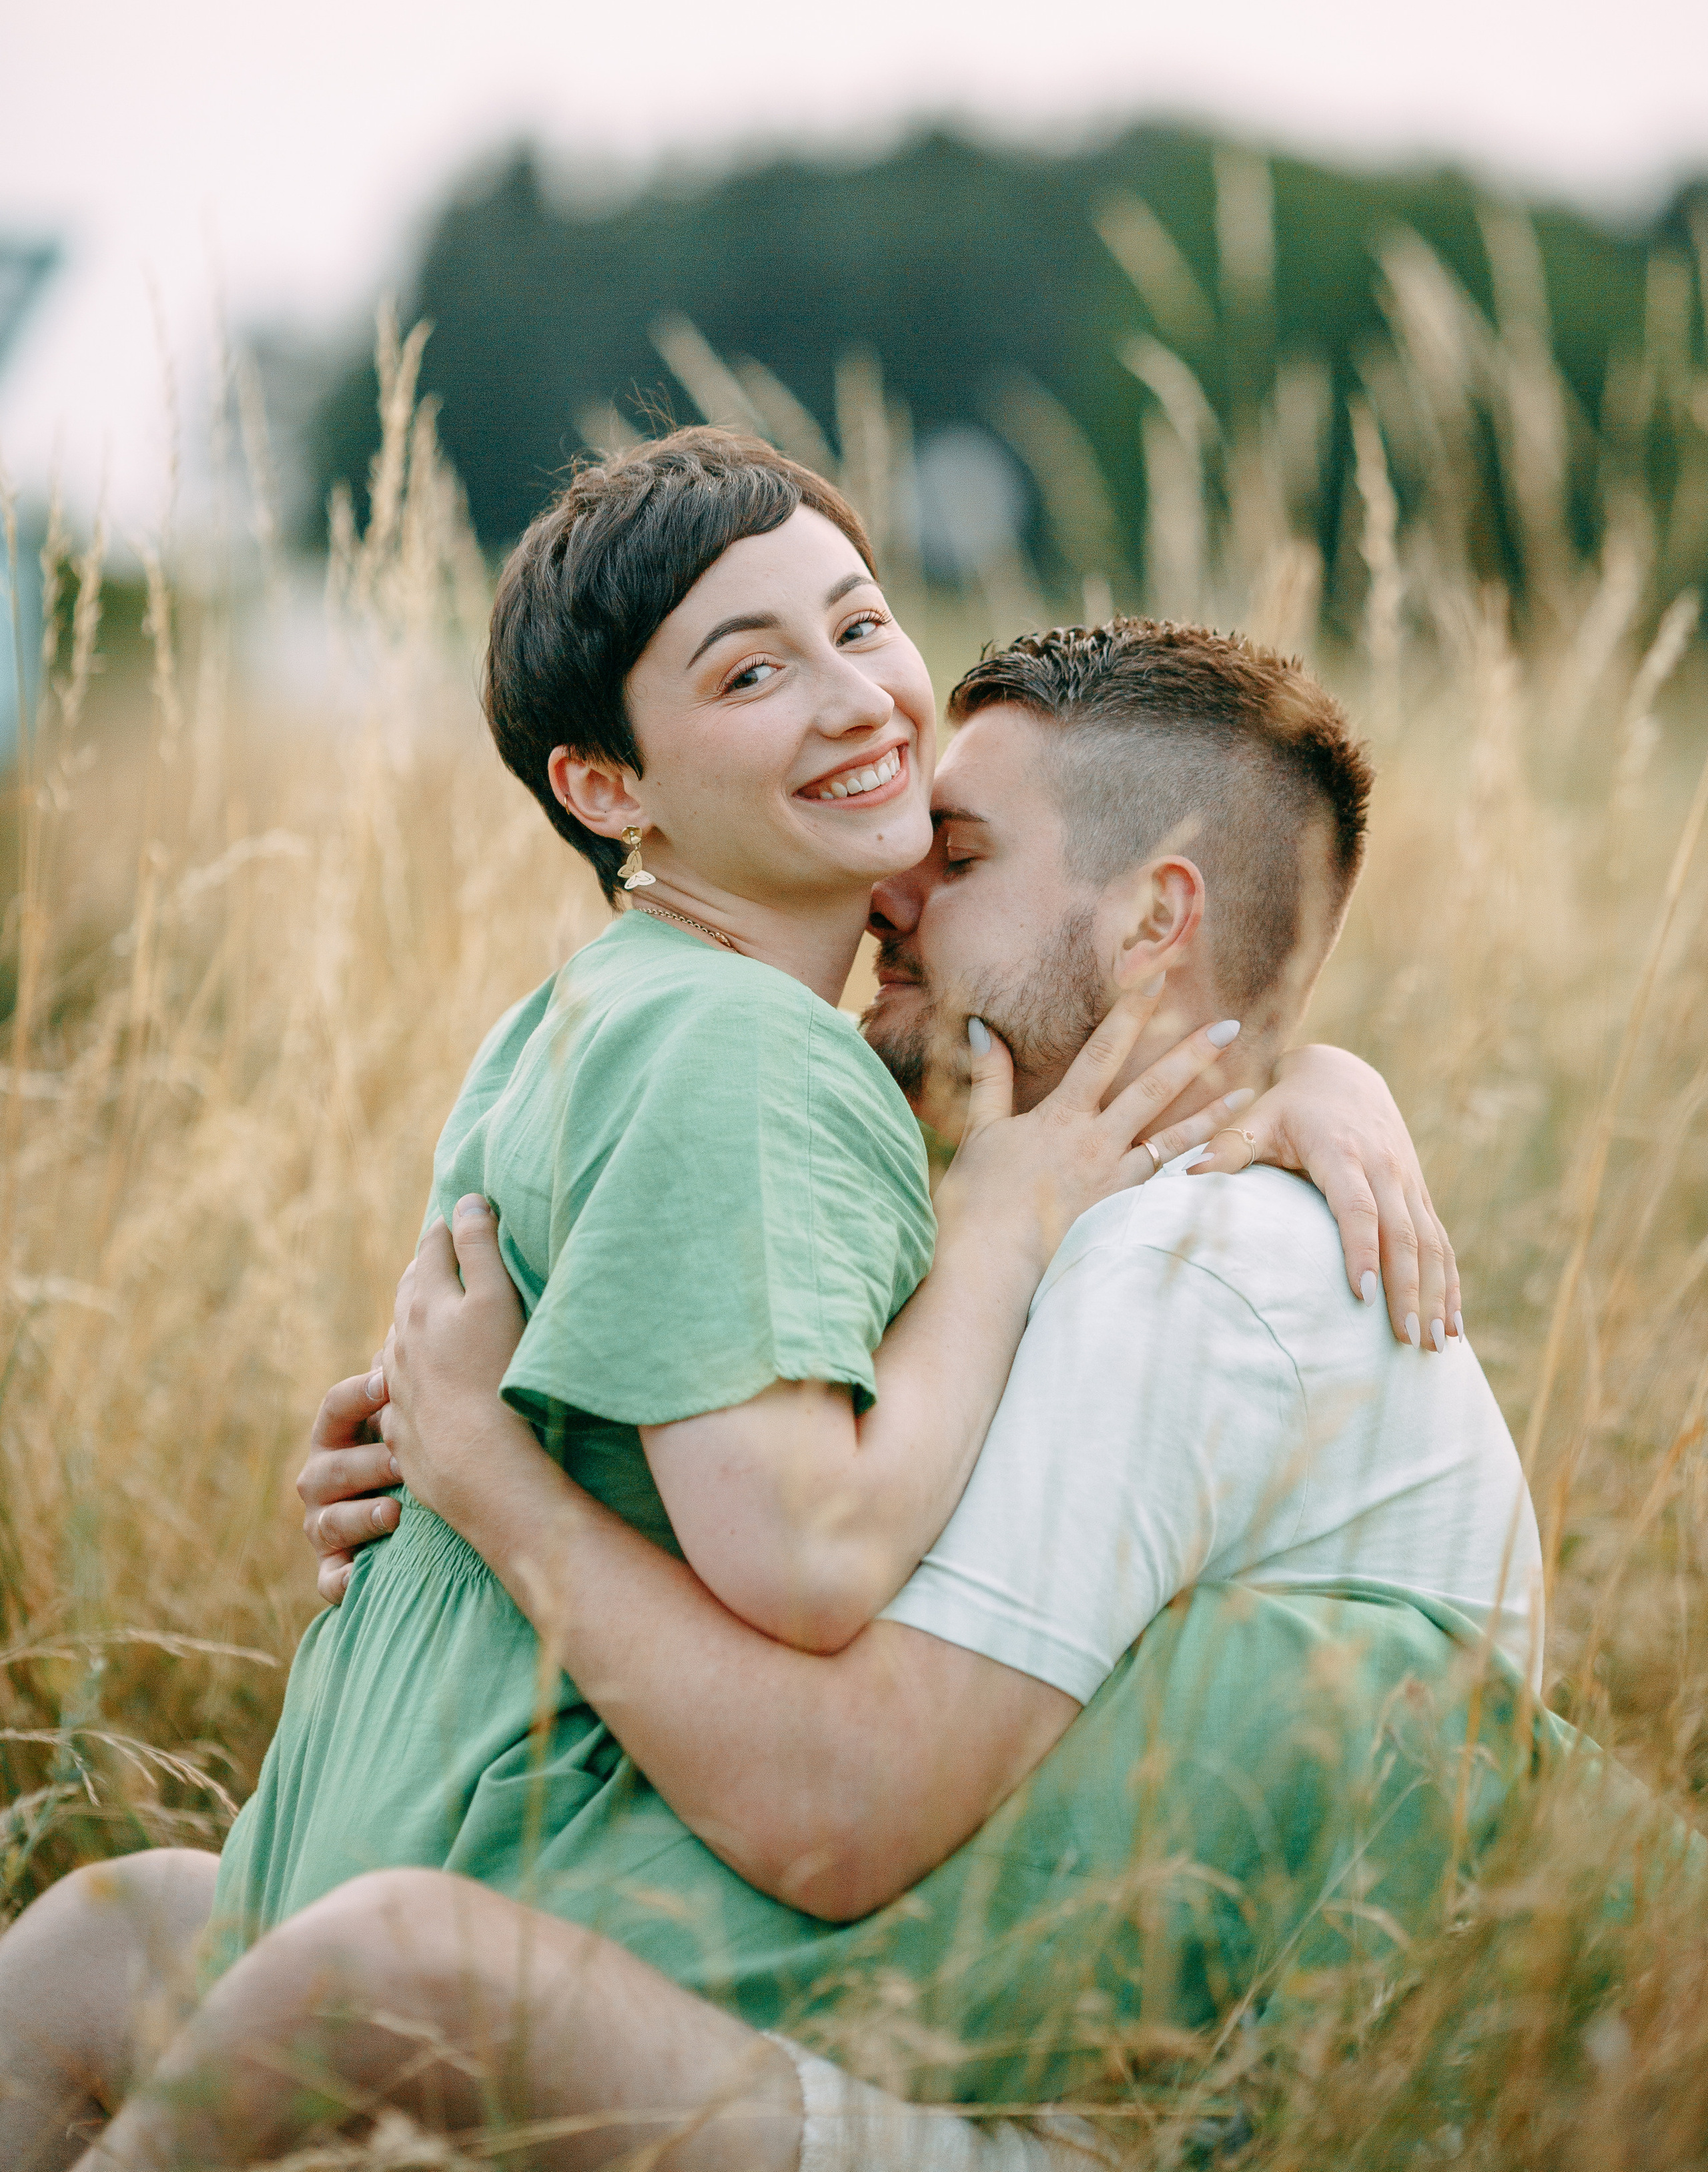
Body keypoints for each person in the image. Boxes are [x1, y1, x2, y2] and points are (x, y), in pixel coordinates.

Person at [0, 613, 1497, 2170]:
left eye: (958, 853)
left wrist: (495, 1484)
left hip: (1073, 2114)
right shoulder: (1034, 1197)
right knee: (109, 1938)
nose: (890, 879)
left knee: (383, 1973)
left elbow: (836, 1810)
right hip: (936, 1991)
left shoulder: (1190, 1271)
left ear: (1151, 923)